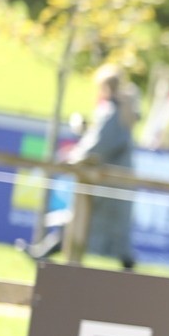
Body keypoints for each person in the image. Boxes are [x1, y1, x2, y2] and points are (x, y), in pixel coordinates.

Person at [22, 64, 139, 268]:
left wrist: (73, 156)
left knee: (78, 220)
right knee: (115, 232)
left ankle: (43, 253)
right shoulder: (123, 110)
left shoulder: (111, 111)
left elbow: (99, 145)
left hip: (104, 182)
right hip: (117, 182)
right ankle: (43, 252)